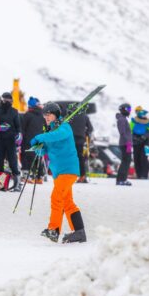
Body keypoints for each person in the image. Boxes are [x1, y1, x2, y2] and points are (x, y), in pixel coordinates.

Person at [30, 102, 87, 243]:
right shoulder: (51, 131)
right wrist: (40, 149)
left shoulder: (64, 127)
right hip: (58, 172)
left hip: (68, 170)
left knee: (56, 198)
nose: (46, 117)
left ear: (56, 114)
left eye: (49, 114)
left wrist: (40, 137)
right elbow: (48, 148)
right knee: (67, 202)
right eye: (45, 115)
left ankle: (54, 230)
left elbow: (56, 136)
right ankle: (79, 232)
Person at [0, 92, 21, 190]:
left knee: (13, 162)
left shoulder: (14, 112)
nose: (7, 102)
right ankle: (0, 182)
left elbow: (18, 127)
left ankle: (17, 184)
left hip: (11, 141)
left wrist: (19, 136)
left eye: (9, 100)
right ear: (1, 100)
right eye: (5, 100)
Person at [20, 97, 45, 183]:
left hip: (28, 140)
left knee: (26, 157)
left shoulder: (27, 115)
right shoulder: (42, 115)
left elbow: (22, 128)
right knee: (38, 157)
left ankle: (27, 177)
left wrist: (20, 139)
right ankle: (39, 177)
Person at [69, 109, 94, 183]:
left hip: (71, 139)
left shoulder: (70, 116)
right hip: (80, 139)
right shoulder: (85, 116)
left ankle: (70, 175)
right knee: (80, 157)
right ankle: (82, 176)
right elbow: (91, 128)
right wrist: (85, 132)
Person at [131, 106, 149, 179]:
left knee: (144, 158)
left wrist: (145, 136)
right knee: (136, 158)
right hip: (136, 141)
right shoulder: (134, 120)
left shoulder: (147, 120)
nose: (137, 112)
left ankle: (144, 175)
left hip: (145, 142)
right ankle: (139, 175)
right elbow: (130, 129)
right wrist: (133, 137)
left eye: (139, 111)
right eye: (136, 111)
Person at [116, 103, 133, 186]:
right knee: (126, 162)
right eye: (128, 109)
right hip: (125, 144)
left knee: (126, 161)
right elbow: (122, 132)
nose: (130, 111)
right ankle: (121, 180)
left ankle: (122, 179)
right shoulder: (122, 119)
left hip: (125, 143)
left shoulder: (123, 119)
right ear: (124, 109)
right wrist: (128, 143)